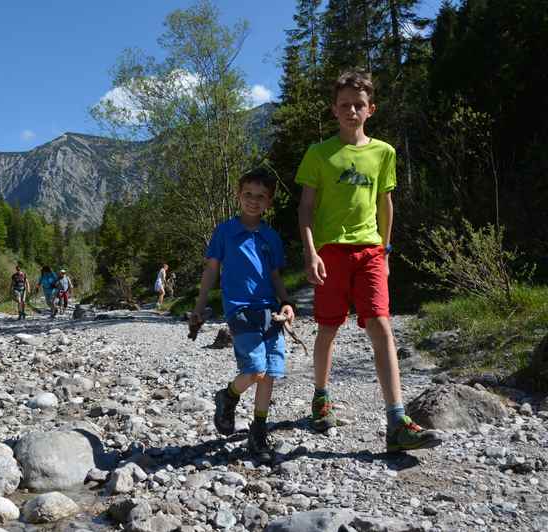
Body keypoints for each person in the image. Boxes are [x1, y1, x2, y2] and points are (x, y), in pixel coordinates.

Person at [295, 70, 442, 453]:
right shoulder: (318, 153)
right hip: (330, 253)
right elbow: (306, 209)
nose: (352, 111)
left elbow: (385, 204)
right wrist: (310, 251)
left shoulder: (384, 153)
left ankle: (397, 420)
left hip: (371, 251)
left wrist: (387, 251)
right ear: (334, 109)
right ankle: (321, 396)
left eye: (359, 105)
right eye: (344, 105)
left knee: (381, 326)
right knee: (328, 329)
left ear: (371, 109)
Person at [189, 166, 296, 463]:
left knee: (270, 374)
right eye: (248, 194)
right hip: (239, 309)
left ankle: (258, 431)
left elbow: (274, 275)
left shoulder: (271, 237)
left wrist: (287, 304)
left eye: (261, 196)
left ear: (269, 202)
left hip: (270, 311)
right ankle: (228, 396)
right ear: (238, 196)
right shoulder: (225, 232)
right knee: (255, 370)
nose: (253, 200)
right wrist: (199, 306)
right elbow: (211, 270)